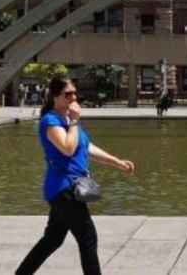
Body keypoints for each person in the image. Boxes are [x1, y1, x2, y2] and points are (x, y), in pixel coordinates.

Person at [15, 77, 135, 275]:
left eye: (74, 93)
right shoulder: (50, 121)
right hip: (64, 188)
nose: (73, 97)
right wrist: (75, 121)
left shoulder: (68, 121)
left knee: (53, 239)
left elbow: (87, 148)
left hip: (68, 188)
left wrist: (118, 162)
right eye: (67, 94)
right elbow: (68, 149)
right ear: (55, 97)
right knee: (88, 237)